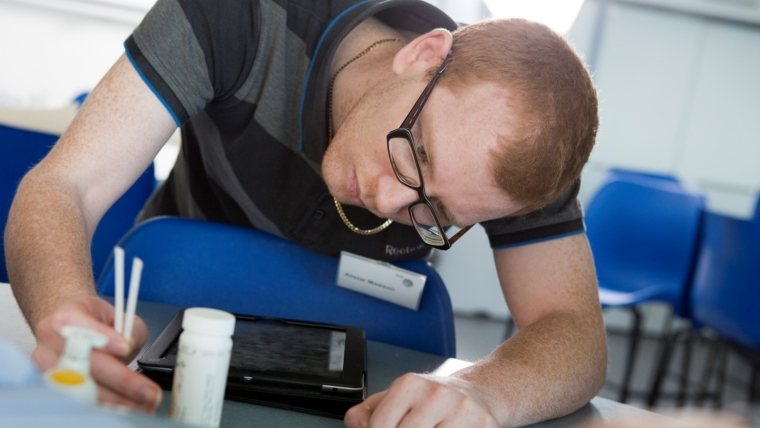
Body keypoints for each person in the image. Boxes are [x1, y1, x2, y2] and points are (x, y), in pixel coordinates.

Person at [4, 0, 605, 426]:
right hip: (165, 347)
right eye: (414, 151)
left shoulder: (522, 149)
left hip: (363, 396)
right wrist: (63, 313)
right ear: (423, 54)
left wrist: (485, 392)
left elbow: (574, 332)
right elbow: (65, 185)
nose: (389, 204)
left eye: (436, 211)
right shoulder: (238, 16)